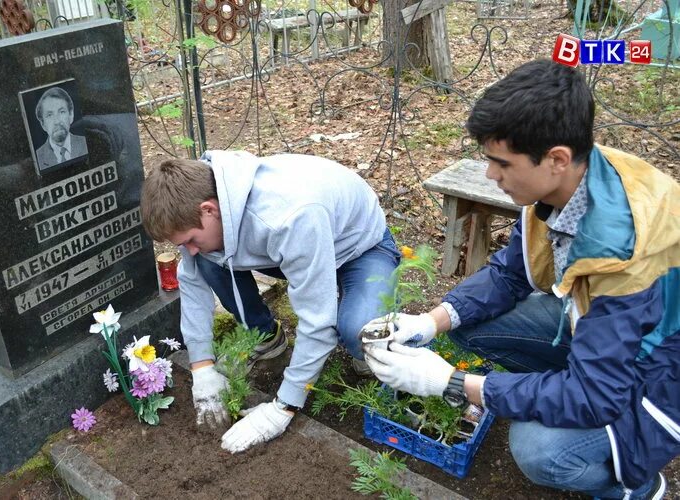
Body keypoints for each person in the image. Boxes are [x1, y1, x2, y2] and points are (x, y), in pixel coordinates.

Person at [363, 59, 678, 500]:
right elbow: (510, 273)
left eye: (501, 163)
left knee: (538, 449)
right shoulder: (565, 184)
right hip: (598, 329)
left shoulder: (622, 252)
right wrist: (429, 322)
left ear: (556, 159)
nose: (491, 175)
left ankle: (637, 489)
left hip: (657, 366)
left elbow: (594, 395)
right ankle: (548, 387)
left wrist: (454, 384)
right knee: (467, 324)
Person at [140, 151, 401, 453]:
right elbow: (193, 284)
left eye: (190, 241)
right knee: (209, 261)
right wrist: (201, 367)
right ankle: (266, 337)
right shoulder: (195, 205)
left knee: (360, 334)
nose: (190, 250)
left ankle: (362, 328)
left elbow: (318, 321)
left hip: (358, 248)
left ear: (209, 210)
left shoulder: (288, 217)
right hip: (295, 244)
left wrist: (283, 407)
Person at [34, 87, 87, 169]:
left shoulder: (85, 143)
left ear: (71, 115)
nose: (57, 121)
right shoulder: (37, 158)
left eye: (62, 112)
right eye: (50, 115)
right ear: (43, 124)